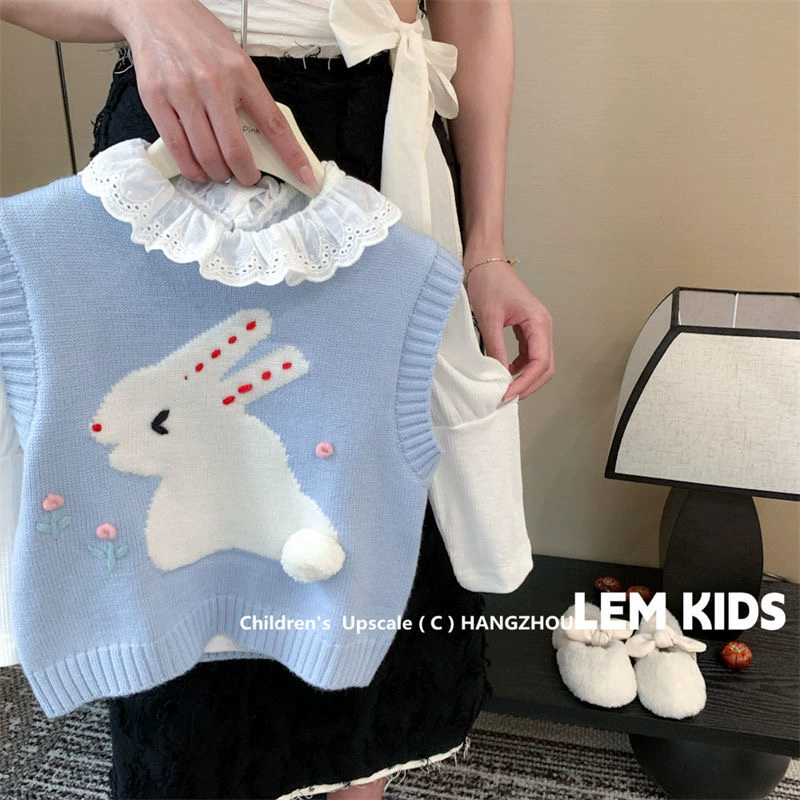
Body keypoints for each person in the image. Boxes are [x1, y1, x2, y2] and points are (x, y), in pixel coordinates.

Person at [0, 1, 554, 798]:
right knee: (183, 665)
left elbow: (474, 9)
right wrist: (139, 9)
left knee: (374, 562)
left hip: (380, 150)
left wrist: (486, 249)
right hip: (177, 137)